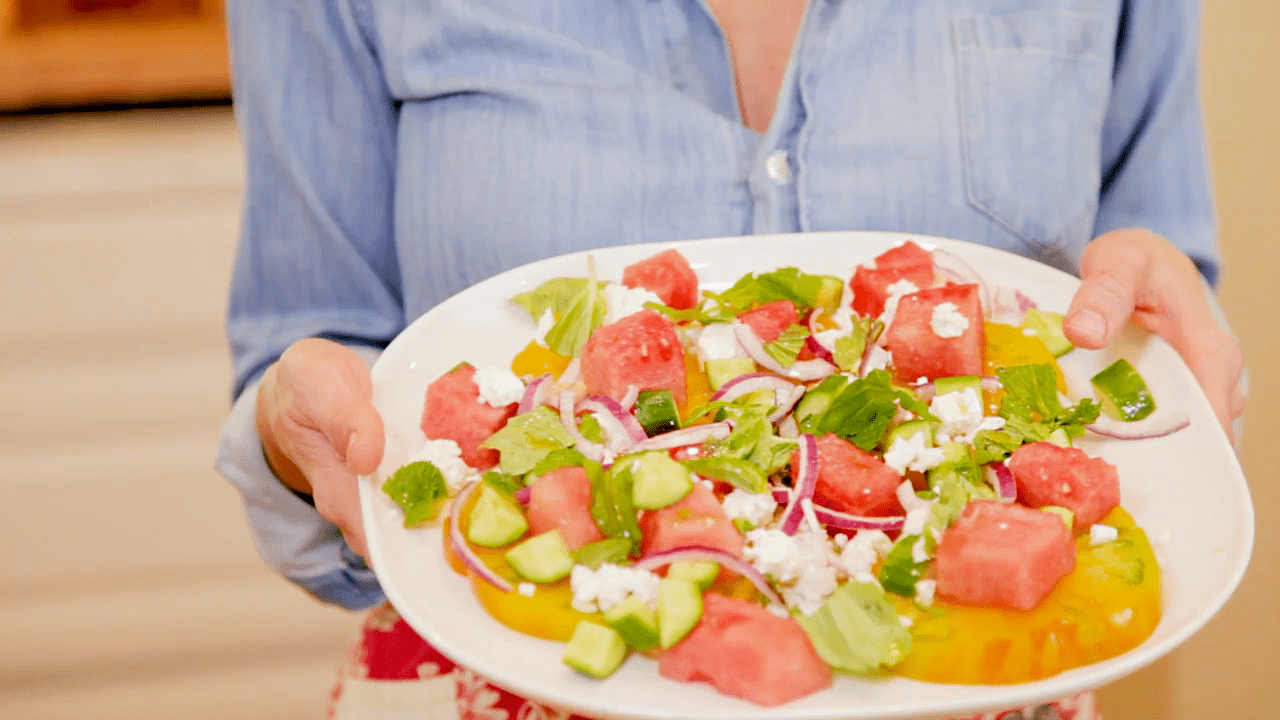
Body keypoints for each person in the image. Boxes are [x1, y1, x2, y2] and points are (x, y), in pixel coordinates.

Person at [216, 0, 1245, 717]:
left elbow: (1145, 297)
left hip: (985, 674)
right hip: (491, 687)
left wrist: (1160, 314)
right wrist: (298, 433)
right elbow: (313, 355)